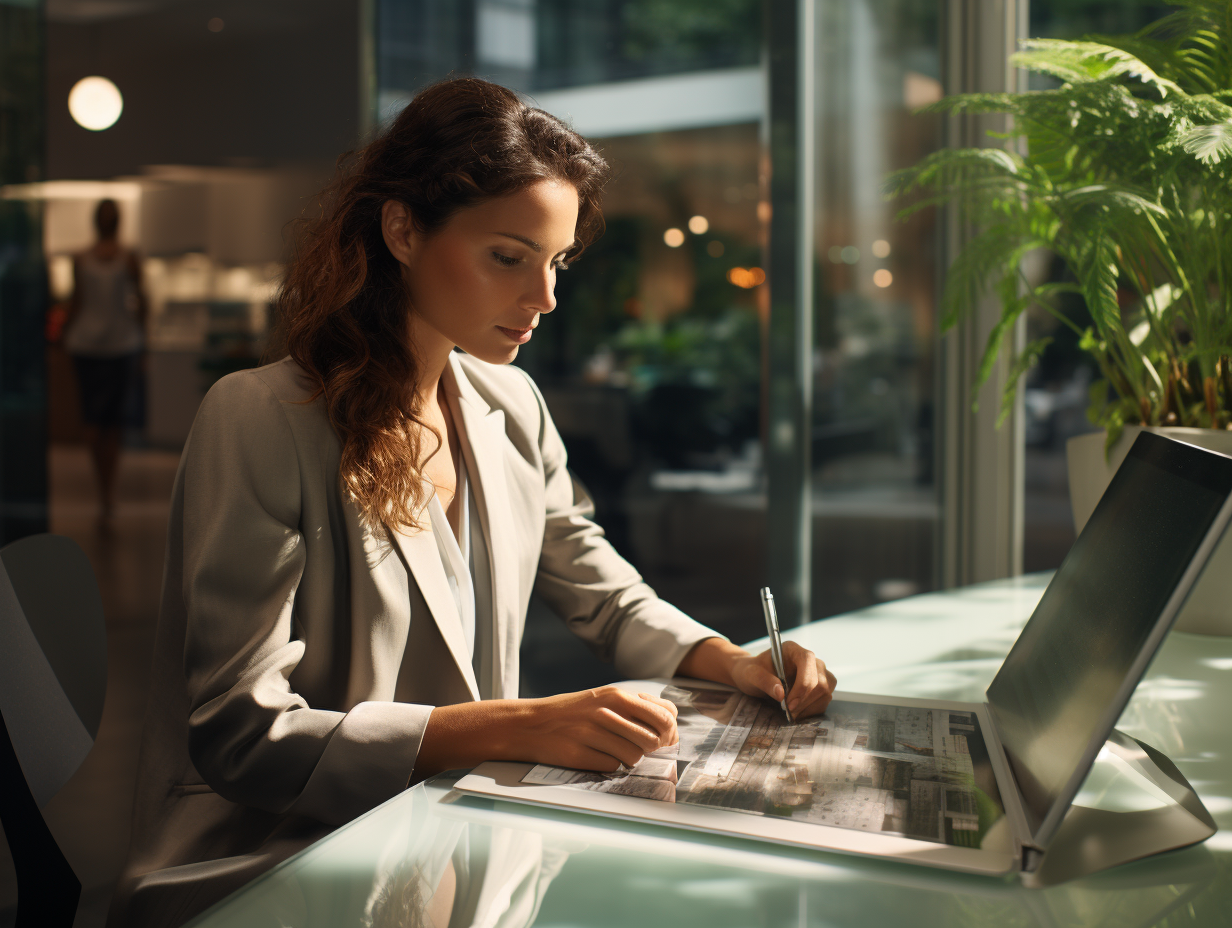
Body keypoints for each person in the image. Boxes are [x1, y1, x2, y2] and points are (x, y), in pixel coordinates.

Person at [109, 78, 836, 928]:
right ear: (403, 230)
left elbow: (598, 587)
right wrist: (513, 726)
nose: (545, 299)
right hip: (282, 861)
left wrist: (732, 660)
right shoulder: (263, 417)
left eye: (556, 262)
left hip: (455, 843)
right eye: (508, 256)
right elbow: (242, 733)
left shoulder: (511, 404)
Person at [62, 198, 147, 530]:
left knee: (109, 422)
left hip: (119, 344)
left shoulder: (127, 259)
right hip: (92, 344)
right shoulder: (83, 259)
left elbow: (142, 301)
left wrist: (144, 344)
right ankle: (104, 491)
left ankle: (107, 492)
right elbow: (77, 300)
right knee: (97, 423)